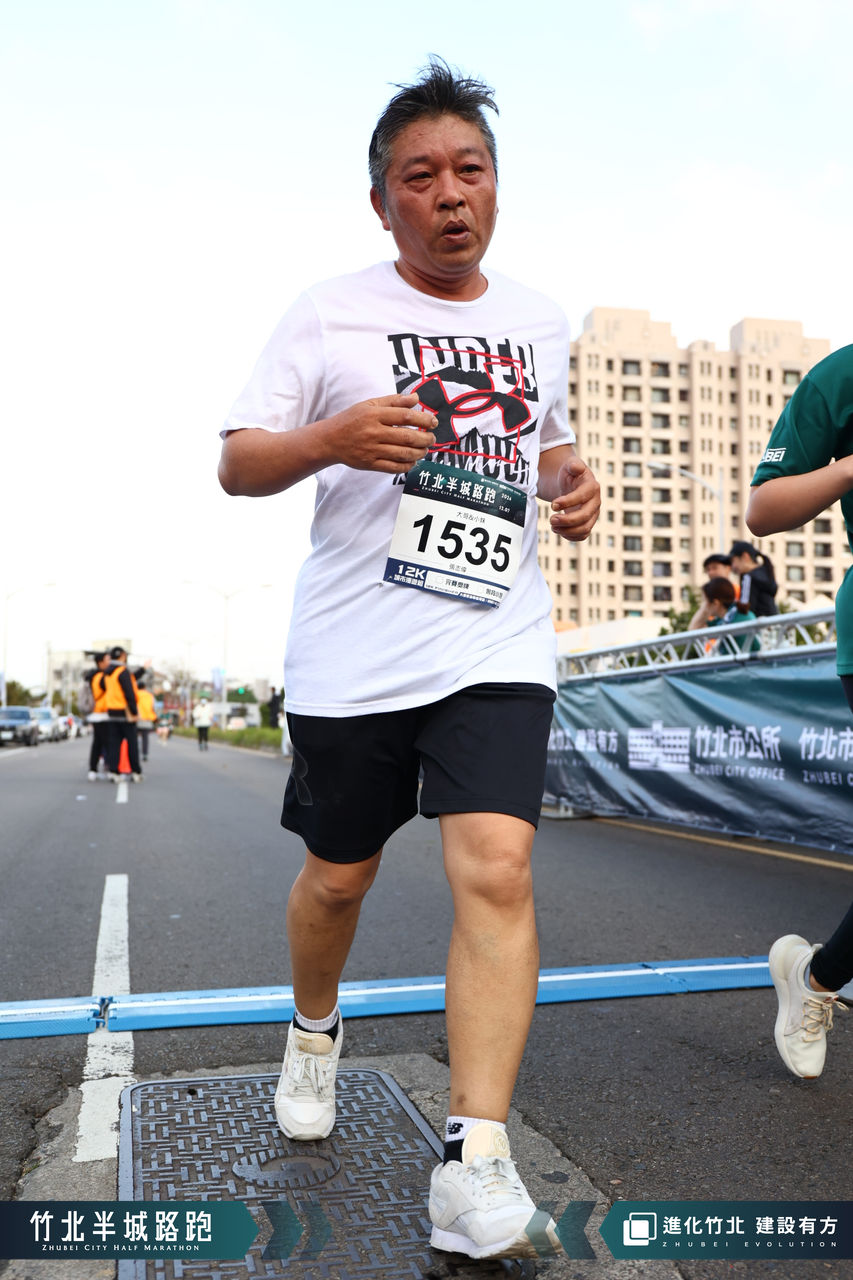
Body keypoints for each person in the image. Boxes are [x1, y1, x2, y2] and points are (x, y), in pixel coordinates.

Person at [217, 58, 600, 1261]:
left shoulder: (539, 318)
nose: (449, 193)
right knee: (338, 879)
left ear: (496, 187)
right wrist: (331, 437)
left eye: (468, 170)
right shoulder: (327, 311)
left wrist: (571, 483)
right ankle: (313, 1025)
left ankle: (473, 1159)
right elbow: (238, 461)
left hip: (494, 635)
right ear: (382, 203)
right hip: (355, 650)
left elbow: (547, 448)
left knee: (498, 866)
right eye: (420, 176)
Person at [746, 344, 853, 1078]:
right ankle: (817, 981)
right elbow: (763, 509)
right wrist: (848, 469)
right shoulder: (843, 376)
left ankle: (816, 975)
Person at [102, 645, 142, 781]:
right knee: (132, 744)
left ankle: (114, 772)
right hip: (125, 712)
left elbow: (103, 687)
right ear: (123, 656)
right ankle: (136, 772)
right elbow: (129, 693)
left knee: (114, 744)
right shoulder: (122, 672)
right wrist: (134, 711)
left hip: (112, 713)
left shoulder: (107, 673)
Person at [688, 553, 738, 630]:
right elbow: (694, 628)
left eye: (715, 568)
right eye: (708, 570)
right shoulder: (709, 594)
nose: (710, 572)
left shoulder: (737, 591)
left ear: (728, 568)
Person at [728, 540, 778, 617]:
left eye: (733, 561)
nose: (732, 566)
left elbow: (745, 609)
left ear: (745, 556)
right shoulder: (765, 573)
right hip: (772, 621)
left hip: (757, 622)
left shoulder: (748, 578)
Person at [85, 651, 111, 779]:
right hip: (102, 713)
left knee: (98, 742)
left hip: (98, 714)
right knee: (106, 742)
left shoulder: (95, 675)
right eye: (107, 660)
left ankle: (93, 769)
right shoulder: (101, 677)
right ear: (100, 663)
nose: (110, 662)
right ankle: (109, 768)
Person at [135, 677, 157, 763]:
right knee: (145, 738)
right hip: (147, 719)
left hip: (137, 719)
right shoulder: (150, 695)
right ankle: (145, 754)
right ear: (144, 687)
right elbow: (154, 707)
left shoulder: (135, 694)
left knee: (134, 738)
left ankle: (135, 753)